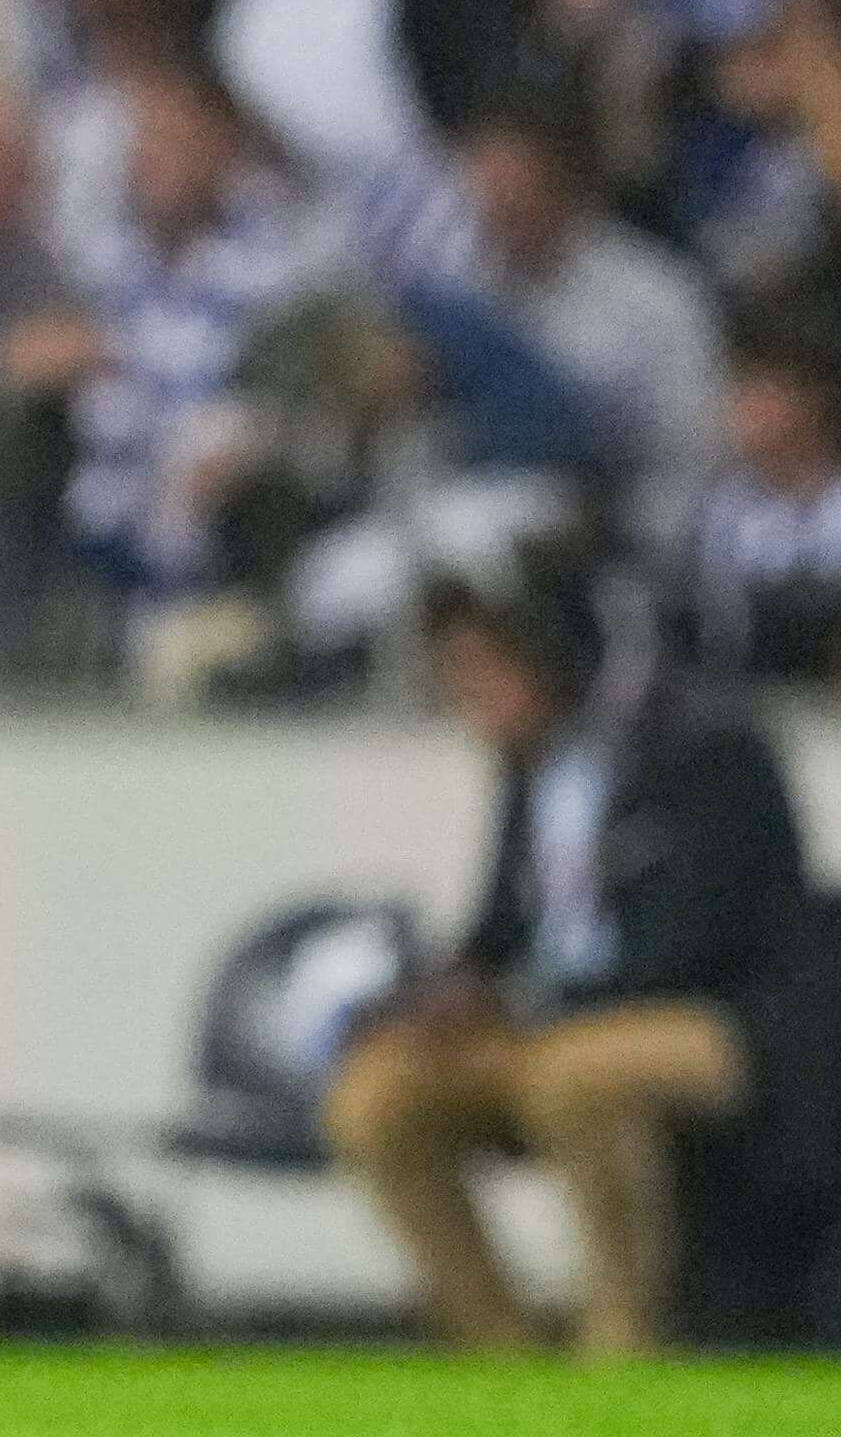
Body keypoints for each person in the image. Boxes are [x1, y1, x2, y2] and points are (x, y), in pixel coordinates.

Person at [322, 545, 815, 1358]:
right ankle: (499, 1342)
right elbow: (505, 925)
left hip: (708, 1021)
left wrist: (527, 1003)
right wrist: (440, 995)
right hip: (549, 1021)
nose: (469, 694)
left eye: (486, 668)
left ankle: (623, 1335)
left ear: (552, 652)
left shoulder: (702, 744)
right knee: (377, 1097)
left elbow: (708, 933)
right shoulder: (532, 770)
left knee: (571, 1078)